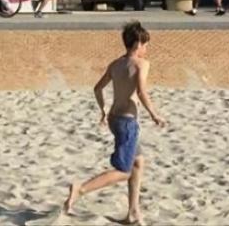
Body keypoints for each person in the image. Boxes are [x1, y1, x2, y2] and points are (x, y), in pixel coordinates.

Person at [63, 21, 166, 225]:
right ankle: (81, 189)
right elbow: (142, 92)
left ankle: (133, 213)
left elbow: (97, 88)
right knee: (123, 171)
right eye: (145, 45)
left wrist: (103, 110)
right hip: (127, 123)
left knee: (138, 162)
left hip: (114, 119)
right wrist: (155, 114)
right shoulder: (141, 64)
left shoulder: (115, 64)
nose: (146, 50)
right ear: (137, 44)